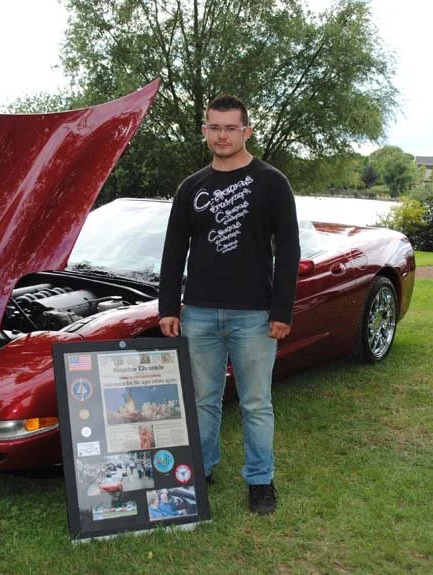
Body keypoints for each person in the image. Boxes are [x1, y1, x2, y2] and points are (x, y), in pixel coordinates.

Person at [158, 94, 300, 515]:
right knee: (203, 399)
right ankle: (200, 470)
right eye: (214, 127)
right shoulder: (191, 187)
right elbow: (173, 251)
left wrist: (282, 311)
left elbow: (288, 250)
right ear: (205, 130)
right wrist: (168, 307)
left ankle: (260, 481)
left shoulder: (272, 182)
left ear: (246, 131)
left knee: (256, 402)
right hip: (199, 313)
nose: (222, 136)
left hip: (254, 315)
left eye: (230, 128)